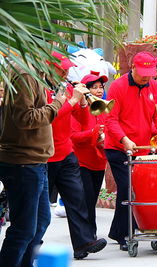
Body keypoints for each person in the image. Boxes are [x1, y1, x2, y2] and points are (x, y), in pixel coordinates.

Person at [0, 53, 66, 267]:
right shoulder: (25, 74)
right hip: (23, 161)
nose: (64, 74)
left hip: (35, 161)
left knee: (39, 223)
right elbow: (25, 119)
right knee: (23, 229)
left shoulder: (34, 74)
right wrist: (57, 104)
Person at [105, 51, 157, 251]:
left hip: (141, 149)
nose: (146, 76)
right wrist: (124, 139)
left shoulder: (153, 87)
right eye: (142, 72)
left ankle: (118, 231)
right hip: (118, 147)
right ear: (132, 67)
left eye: (149, 73)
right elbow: (110, 119)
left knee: (135, 189)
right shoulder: (118, 86)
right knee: (127, 187)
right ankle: (126, 233)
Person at [46, 52, 107, 259]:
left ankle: (83, 242)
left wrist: (82, 103)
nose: (65, 71)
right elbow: (50, 117)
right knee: (39, 206)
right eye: (60, 68)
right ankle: (32, 242)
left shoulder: (67, 87)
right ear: (49, 68)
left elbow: (80, 117)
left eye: (66, 68)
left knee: (77, 197)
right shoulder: (41, 90)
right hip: (46, 154)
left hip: (66, 152)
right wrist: (73, 100)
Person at [71, 72, 109, 238]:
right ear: (86, 90)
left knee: (92, 200)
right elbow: (73, 136)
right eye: (95, 87)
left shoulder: (103, 108)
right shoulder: (79, 109)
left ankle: (89, 234)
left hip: (99, 161)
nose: (99, 91)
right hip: (82, 162)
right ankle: (88, 235)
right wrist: (92, 133)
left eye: (101, 87)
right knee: (86, 201)